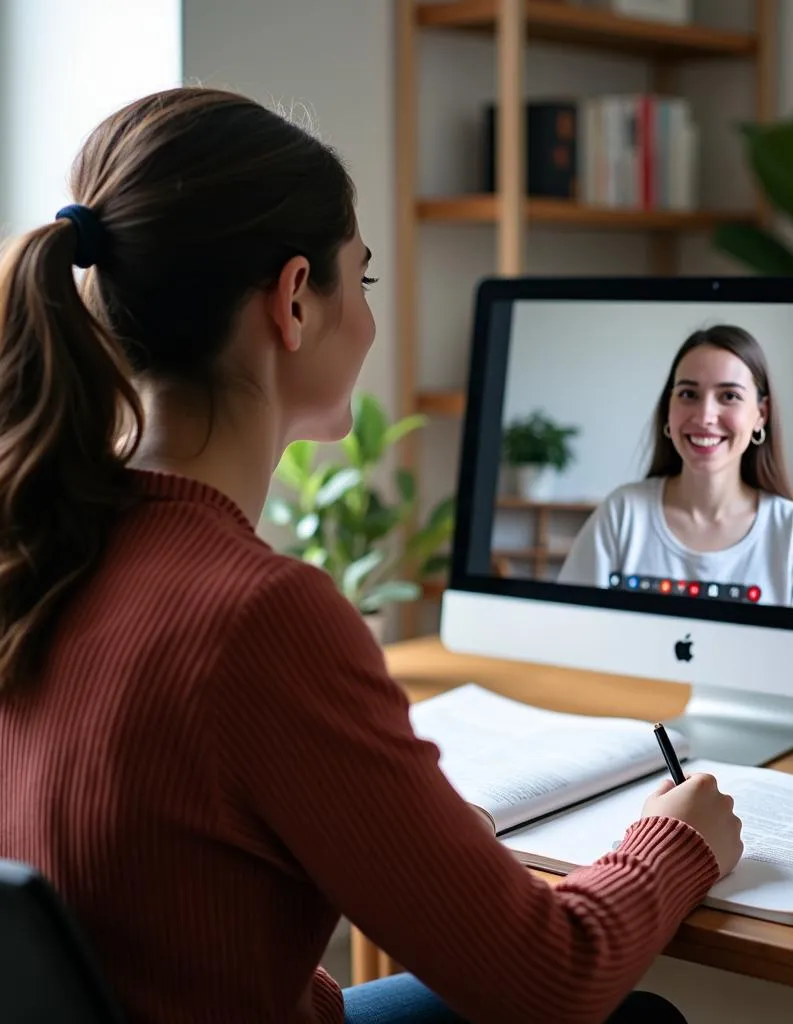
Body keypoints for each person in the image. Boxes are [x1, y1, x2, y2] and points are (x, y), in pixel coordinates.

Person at [0, 87, 743, 1024]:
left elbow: (156, 920)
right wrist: (674, 843)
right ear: (294, 302)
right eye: (366, 280)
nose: (373, 319)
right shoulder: (258, 617)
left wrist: (398, 848)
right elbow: (552, 978)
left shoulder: (38, 544)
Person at [558, 325, 793, 612]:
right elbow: (568, 629)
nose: (705, 416)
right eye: (688, 394)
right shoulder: (622, 514)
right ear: (668, 408)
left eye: (729, 396)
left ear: (761, 414)